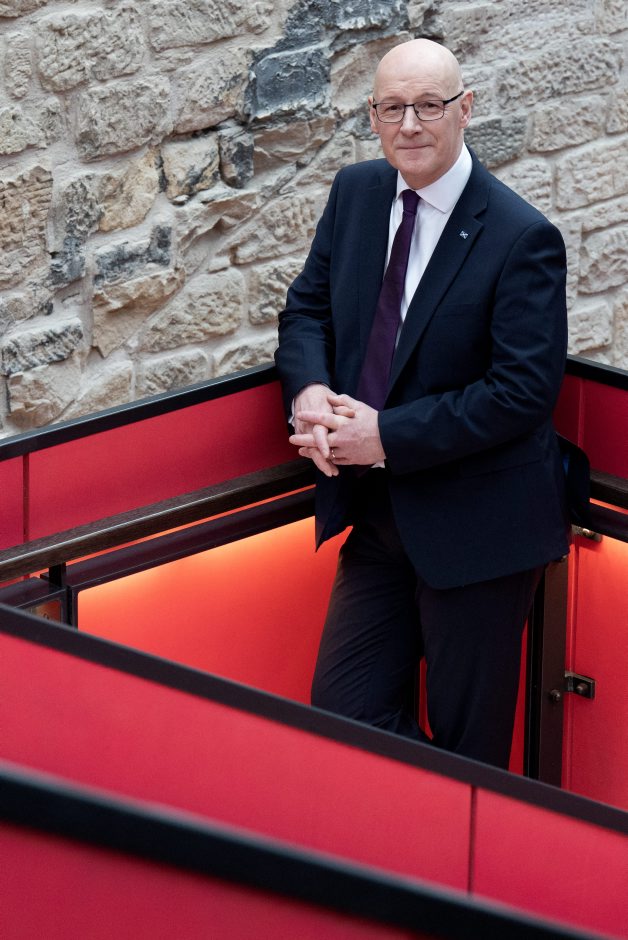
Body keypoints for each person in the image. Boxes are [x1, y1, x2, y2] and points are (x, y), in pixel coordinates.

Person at [274, 38, 570, 768]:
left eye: (428, 106)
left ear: (465, 109)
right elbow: (306, 309)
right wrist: (309, 390)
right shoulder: (356, 192)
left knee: (470, 758)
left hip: (479, 530)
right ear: (374, 115)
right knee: (343, 717)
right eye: (391, 108)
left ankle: (469, 838)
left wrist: (386, 436)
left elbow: (523, 392)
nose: (408, 125)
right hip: (378, 517)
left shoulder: (522, 236)